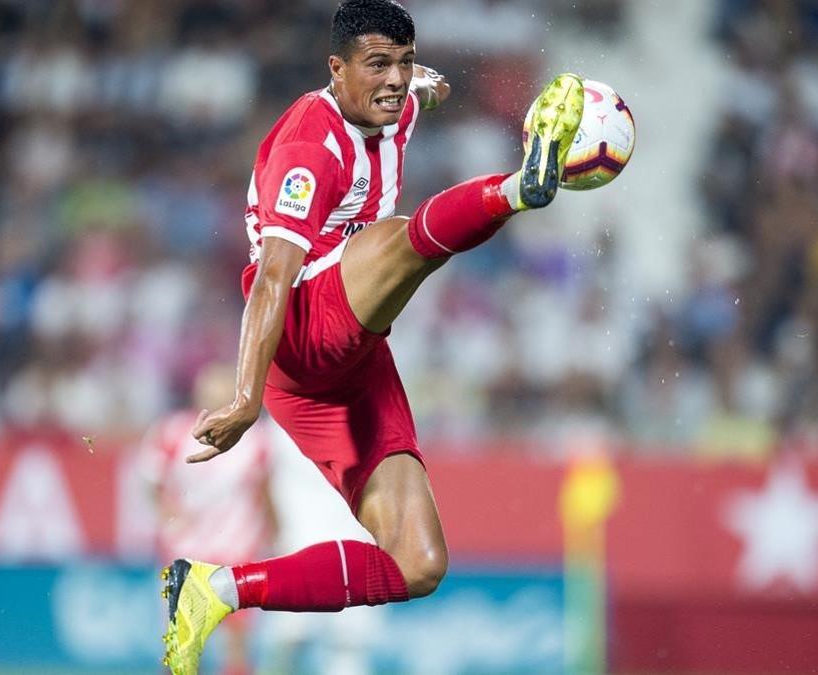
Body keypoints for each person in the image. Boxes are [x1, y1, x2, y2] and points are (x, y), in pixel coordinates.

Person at [160, 0, 589, 672]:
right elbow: (273, 277)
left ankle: (213, 589)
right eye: (377, 65)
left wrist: (425, 82)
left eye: (404, 62)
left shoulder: (400, 101)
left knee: (419, 562)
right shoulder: (311, 145)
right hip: (298, 334)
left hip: (356, 361)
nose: (395, 79)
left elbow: (418, 87)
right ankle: (518, 188)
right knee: (401, 241)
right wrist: (245, 397)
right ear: (336, 69)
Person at [140, 363, 276, 675]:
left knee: (237, 642)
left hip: (238, 550)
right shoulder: (171, 432)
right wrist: (168, 515)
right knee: (181, 644)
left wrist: (271, 531)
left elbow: (265, 490)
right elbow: (150, 481)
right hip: (186, 552)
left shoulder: (256, 439)